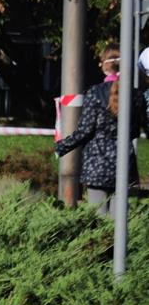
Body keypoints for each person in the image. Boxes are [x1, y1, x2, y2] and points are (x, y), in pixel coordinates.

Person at [54, 45, 141, 217]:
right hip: (124, 162)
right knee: (118, 219)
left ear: (104, 65)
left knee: (98, 218)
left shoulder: (94, 93)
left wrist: (61, 147)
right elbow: (137, 130)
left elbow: (85, 131)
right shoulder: (136, 95)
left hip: (97, 163)